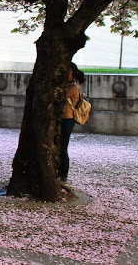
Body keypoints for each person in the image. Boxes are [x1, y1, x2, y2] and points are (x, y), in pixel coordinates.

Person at [58, 62, 86, 190]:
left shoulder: (72, 87)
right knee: (60, 147)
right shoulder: (68, 86)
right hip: (64, 120)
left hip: (67, 120)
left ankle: (63, 176)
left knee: (63, 148)